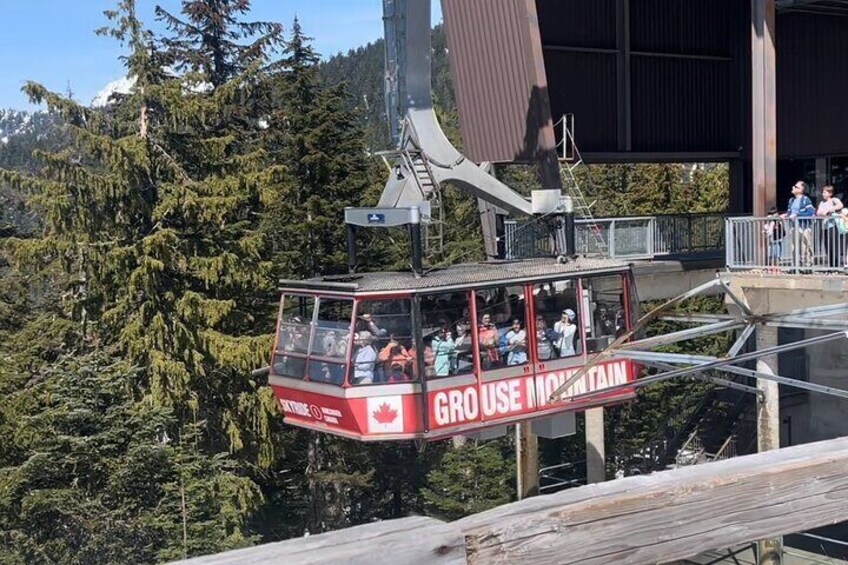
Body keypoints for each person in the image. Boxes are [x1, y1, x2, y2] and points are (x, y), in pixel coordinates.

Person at [781, 181, 815, 268]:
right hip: (794, 227)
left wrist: (798, 215)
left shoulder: (805, 200)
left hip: (804, 227)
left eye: (796, 187)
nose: (793, 187)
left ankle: (807, 266)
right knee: (794, 247)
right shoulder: (791, 200)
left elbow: (811, 213)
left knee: (806, 247)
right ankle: (796, 266)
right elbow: (790, 212)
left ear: (801, 190)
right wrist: (786, 215)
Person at [816, 185, 844, 268]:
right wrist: (823, 212)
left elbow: (840, 205)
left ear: (830, 193)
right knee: (827, 246)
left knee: (834, 245)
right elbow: (818, 213)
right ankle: (831, 265)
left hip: (832, 226)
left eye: (825, 192)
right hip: (824, 226)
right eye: (823, 192)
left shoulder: (834, 200)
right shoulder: (821, 203)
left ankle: (836, 264)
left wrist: (829, 210)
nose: (823, 194)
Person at [763, 206, 785, 272]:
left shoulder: (778, 220)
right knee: (771, 254)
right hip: (772, 240)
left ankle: (777, 267)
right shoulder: (769, 222)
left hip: (778, 239)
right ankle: (771, 267)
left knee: (777, 255)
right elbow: (767, 230)